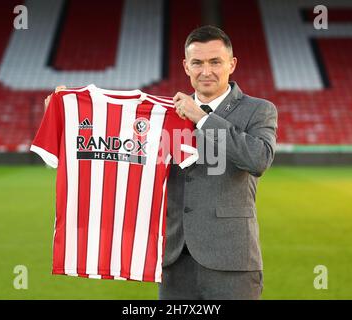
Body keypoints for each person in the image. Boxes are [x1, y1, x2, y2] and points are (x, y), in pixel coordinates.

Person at [44, 25, 277, 300]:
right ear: (186, 66)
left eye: (215, 62)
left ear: (232, 64)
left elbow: (258, 158)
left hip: (231, 258)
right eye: (197, 63)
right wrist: (65, 120)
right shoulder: (167, 114)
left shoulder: (258, 109)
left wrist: (202, 118)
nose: (206, 71)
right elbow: (122, 150)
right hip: (173, 257)